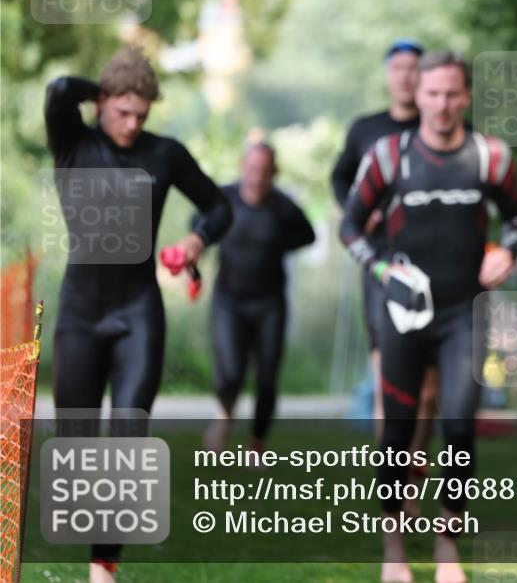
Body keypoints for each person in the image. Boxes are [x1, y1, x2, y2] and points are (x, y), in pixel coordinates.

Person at [44, 48, 232, 583]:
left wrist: (197, 240)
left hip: (137, 312)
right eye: (123, 111)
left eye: (142, 114)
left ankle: (104, 569)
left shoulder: (165, 153)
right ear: (103, 104)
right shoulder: (73, 143)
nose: (132, 124)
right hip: (81, 312)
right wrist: (96, 89)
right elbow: (59, 88)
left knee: (130, 439)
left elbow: (221, 205)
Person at [340, 51, 517, 583]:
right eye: (433, 93)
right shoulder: (388, 155)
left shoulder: (490, 157)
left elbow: (516, 221)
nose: (442, 104)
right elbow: (350, 229)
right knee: (397, 432)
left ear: (466, 97)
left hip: (463, 313)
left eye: (452, 94)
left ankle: (448, 544)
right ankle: (393, 548)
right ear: (416, 95)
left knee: (460, 427)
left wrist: (506, 252)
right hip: (402, 315)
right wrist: (381, 275)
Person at [331, 39, 438, 499]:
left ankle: (414, 462)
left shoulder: (441, 126)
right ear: (388, 74)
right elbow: (339, 179)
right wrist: (360, 211)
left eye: (415, 68)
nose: (406, 75)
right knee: (387, 382)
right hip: (380, 264)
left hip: (435, 265)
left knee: (429, 392)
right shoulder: (366, 130)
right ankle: (393, 489)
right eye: (398, 67)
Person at [200, 141, 315, 455]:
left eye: (265, 171)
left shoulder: (283, 207)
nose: (258, 177)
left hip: (269, 304)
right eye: (252, 169)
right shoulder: (225, 198)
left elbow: (309, 235)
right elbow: (198, 228)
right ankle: (223, 416)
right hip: (228, 301)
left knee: (266, 378)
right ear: (242, 166)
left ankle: (257, 445)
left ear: (274, 172)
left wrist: (277, 244)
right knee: (230, 372)